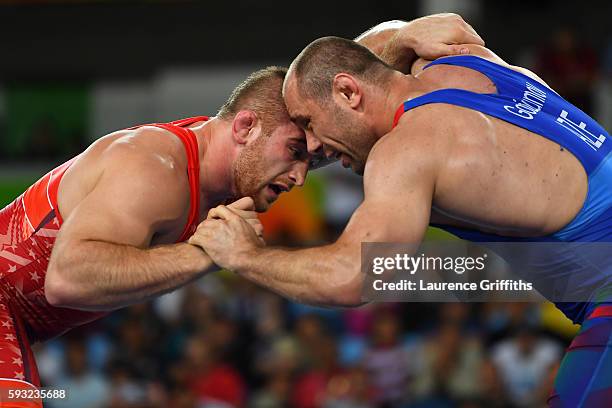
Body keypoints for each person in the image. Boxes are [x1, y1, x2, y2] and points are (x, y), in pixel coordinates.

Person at [0, 14, 480, 397]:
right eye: (295, 153)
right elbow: (67, 280)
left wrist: (400, 36)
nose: (297, 177)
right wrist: (210, 253)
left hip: (20, 327)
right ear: (245, 128)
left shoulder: (223, 164)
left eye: (310, 164)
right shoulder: (154, 166)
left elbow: (321, 74)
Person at [189, 17, 612, 407]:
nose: (314, 149)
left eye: (309, 123)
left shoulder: (407, 151)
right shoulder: (466, 63)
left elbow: (352, 278)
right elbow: (364, 54)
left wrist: (245, 256)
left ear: (349, 92)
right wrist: (404, 35)